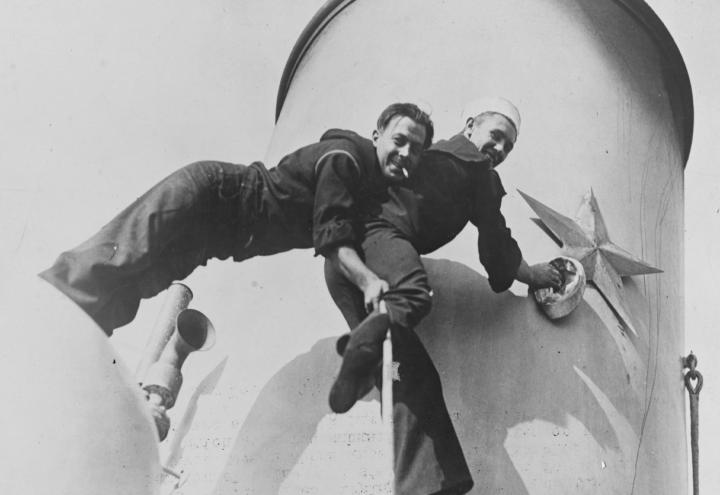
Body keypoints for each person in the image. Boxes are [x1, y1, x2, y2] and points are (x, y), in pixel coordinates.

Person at [324, 97, 562, 494]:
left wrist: (531, 273)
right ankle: (362, 353)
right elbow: (497, 245)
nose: (499, 150)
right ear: (470, 126)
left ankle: (431, 485)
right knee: (415, 291)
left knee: (408, 371)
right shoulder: (465, 165)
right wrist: (532, 274)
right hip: (376, 238)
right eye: (496, 136)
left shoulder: (447, 162)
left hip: (345, 267)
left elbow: (496, 246)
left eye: (508, 146)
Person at [39, 103, 433, 336]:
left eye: (415, 150)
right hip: (211, 195)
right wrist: (367, 279)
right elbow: (332, 234)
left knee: (132, 288)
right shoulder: (346, 158)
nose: (404, 154)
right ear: (377, 134)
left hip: (215, 239)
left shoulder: (369, 190)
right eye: (399, 141)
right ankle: (39, 314)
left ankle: (71, 341)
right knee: (114, 258)